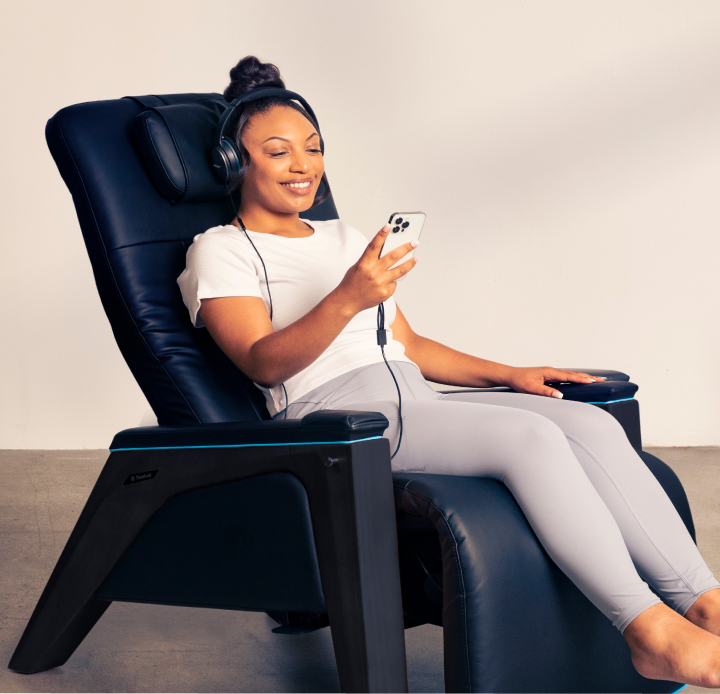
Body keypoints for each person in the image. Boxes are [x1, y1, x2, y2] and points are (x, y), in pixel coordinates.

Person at [177, 55, 720, 686]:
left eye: (313, 148)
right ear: (234, 163)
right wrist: (349, 296)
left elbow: (405, 343)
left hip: (411, 398)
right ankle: (647, 632)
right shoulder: (221, 249)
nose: (303, 166)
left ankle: (704, 602)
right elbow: (261, 362)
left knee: (586, 425)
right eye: (278, 151)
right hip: (335, 422)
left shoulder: (347, 239)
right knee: (531, 439)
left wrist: (509, 374)